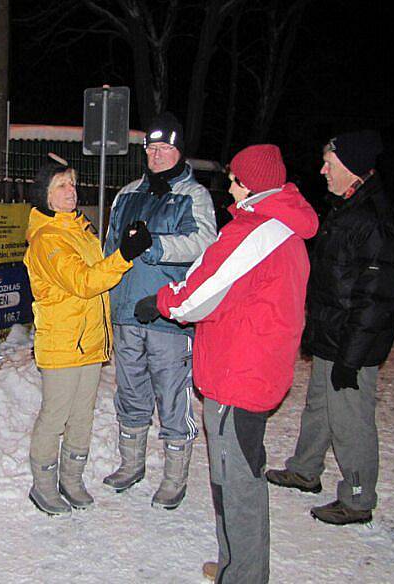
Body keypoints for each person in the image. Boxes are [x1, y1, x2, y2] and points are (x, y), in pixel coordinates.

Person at [135, 145, 318, 583]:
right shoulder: (276, 224)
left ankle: (243, 575)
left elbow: (200, 294)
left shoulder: (259, 231)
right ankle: (239, 564)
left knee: (236, 483)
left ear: (252, 184)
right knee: (239, 476)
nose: (229, 187)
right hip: (252, 369)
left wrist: (161, 302)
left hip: (240, 375)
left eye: (235, 179)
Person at [266, 130, 394, 526]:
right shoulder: (345, 208)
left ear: (354, 169)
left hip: (353, 344)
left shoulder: (373, 220)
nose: (322, 170)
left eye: (331, 164)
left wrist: (352, 357)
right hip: (333, 334)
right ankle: (305, 469)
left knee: (350, 420)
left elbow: (376, 300)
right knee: (320, 406)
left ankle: (358, 498)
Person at [23, 156, 152, 516]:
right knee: (55, 416)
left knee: (82, 416)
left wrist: (120, 246)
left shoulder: (80, 229)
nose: (71, 191)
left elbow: (98, 269)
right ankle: (44, 485)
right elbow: (84, 281)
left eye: (72, 184)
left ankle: (72, 479)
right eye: (61, 186)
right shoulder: (48, 239)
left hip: (90, 341)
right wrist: (125, 256)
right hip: (63, 342)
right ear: (45, 196)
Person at [102, 112, 217, 509]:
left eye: (165, 147)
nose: (157, 154)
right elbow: (110, 246)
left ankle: (173, 476)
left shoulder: (194, 195)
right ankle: (131, 464)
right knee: (130, 392)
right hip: (127, 311)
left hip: (168, 314)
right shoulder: (127, 193)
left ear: (179, 151)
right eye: (151, 148)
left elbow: (204, 243)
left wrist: (156, 246)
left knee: (172, 394)